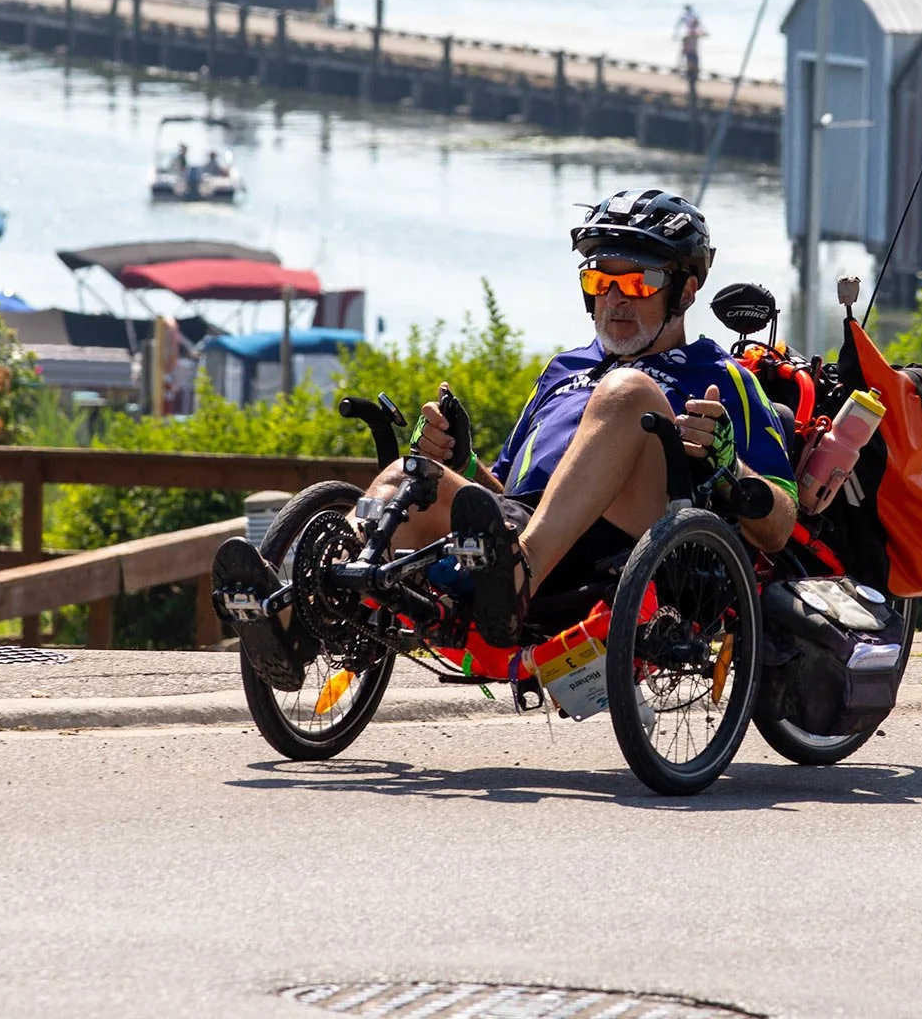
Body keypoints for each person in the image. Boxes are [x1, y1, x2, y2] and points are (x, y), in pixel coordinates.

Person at [214, 189, 797, 674]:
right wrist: (460, 463)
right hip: (519, 543)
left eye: (638, 283)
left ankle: (521, 574)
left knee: (627, 392)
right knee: (407, 475)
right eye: (601, 281)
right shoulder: (564, 370)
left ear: (686, 289)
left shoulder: (720, 376)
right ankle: (296, 614)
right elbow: (504, 499)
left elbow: (781, 526)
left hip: (629, 551)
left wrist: (729, 467)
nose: (616, 299)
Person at [674, 4, 705, 82]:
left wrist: (676, 33)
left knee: (690, 63)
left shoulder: (686, 16)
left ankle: (691, 75)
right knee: (691, 63)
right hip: (691, 46)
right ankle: (691, 76)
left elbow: (679, 24)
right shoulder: (691, 16)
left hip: (690, 43)